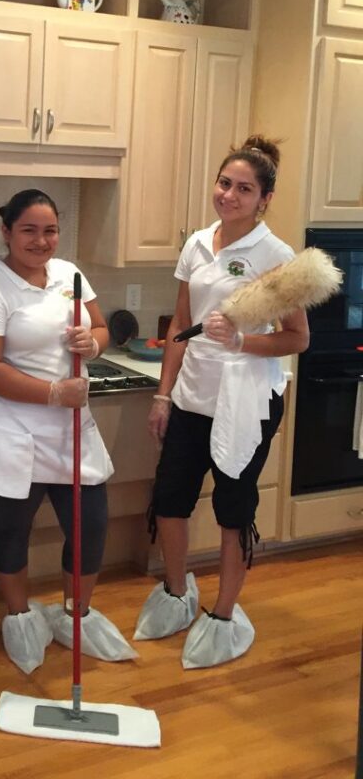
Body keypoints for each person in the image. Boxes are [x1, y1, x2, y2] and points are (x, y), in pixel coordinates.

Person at [134, 135, 309, 668]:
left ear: (264, 199)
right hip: (191, 395)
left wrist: (241, 341)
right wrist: (164, 395)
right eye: (224, 183)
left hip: (245, 403)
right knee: (169, 498)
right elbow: (178, 330)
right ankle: (174, 591)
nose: (229, 195)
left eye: (244, 189)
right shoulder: (197, 244)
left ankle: (225, 614)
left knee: (234, 510)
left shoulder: (276, 258)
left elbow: (297, 338)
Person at [0, 189, 136, 674]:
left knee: (91, 522)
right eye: (29, 230)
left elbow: (100, 329)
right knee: (13, 526)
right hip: (16, 427)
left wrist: (93, 343)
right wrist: (53, 393)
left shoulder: (69, 275)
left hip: (71, 425)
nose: (41, 241)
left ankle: (75, 614)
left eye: (50, 230)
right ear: (7, 232)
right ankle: (19, 616)